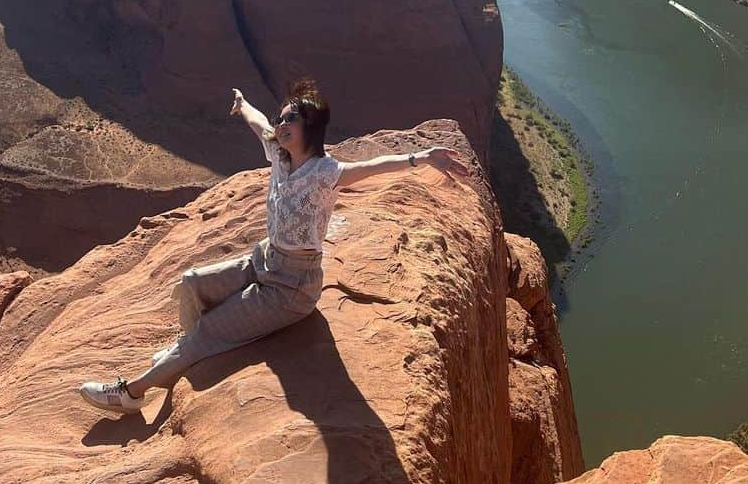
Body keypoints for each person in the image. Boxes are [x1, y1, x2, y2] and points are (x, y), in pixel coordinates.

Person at [79, 78, 470, 415]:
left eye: (291, 119)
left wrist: (421, 158)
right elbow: (259, 124)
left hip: (292, 287)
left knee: (208, 331)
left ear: (310, 127)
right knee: (191, 282)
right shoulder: (281, 158)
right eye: (281, 117)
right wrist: (242, 104)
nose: (281, 125)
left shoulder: (325, 173)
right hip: (264, 259)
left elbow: (373, 167)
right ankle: (187, 351)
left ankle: (132, 392)